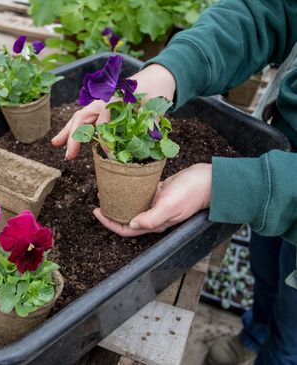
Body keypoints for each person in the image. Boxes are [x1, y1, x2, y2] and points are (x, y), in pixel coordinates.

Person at [52, 1, 297, 364]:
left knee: (292, 326)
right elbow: (269, 10)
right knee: (266, 267)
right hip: (284, 141)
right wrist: (169, 72)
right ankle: (255, 332)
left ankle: (276, 351)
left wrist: (234, 185)